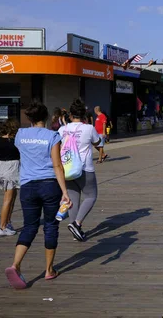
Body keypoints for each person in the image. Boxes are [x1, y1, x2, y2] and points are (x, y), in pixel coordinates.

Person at [6, 100, 71, 289]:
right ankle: (49, 270)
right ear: (46, 117)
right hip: (50, 185)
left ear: (29, 118)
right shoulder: (52, 136)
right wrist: (65, 192)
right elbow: (57, 165)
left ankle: (15, 264)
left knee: (29, 226)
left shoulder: (20, 135)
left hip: (27, 186)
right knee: (50, 226)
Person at [59, 99, 101, 242]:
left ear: (70, 115)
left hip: (67, 169)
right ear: (84, 115)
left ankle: (76, 231)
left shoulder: (62, 130)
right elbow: (97, 142)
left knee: (73, 199)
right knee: (91, 196)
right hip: (84, 168)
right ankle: (76, 223)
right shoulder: (88, 128)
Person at [0, 119, 20, 236]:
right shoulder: (15, 142)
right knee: (8, 199)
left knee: (12, 196)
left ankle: (7, 222)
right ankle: (2, 227)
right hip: (11, 171)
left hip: (0, 170)